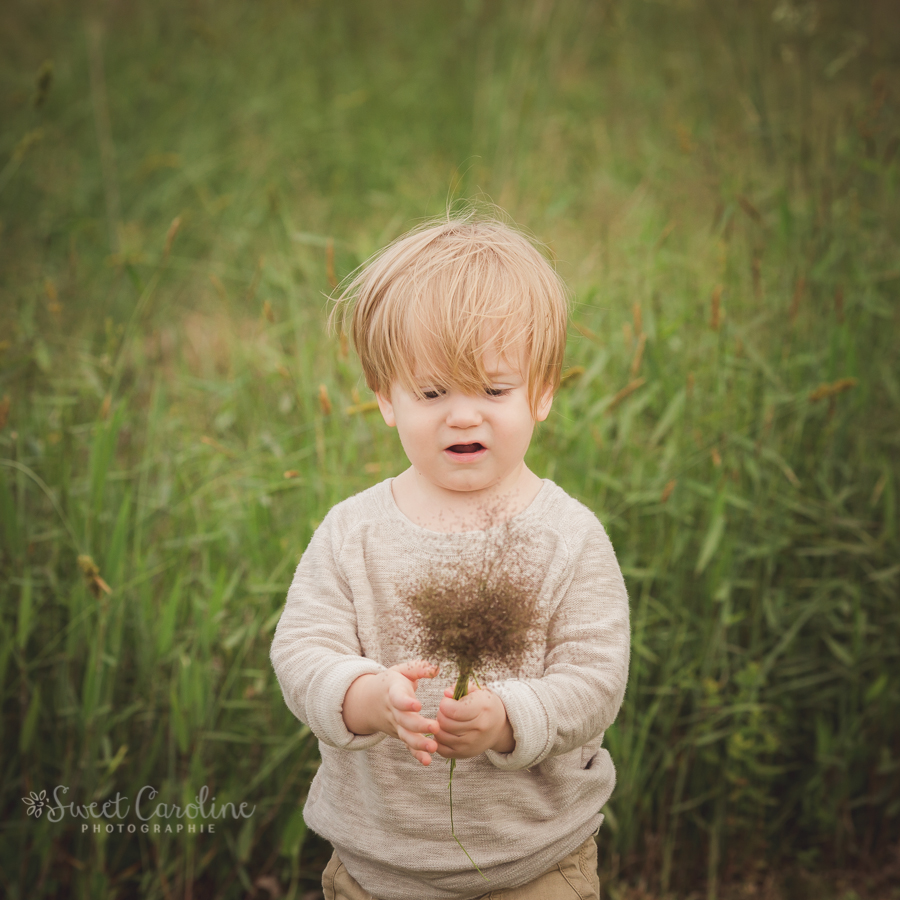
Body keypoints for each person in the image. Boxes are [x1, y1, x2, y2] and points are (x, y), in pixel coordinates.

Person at [270, 211, 630, 900]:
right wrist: (366, 698)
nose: (463, 415)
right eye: (433, 393)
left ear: (543, 391)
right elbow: (302, 651)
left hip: (536, 864)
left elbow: (594, 680)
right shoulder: (353, 532)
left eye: (494, 389)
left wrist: (508, 719)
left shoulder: (569, 536)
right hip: (380, 870)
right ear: (385, 398)